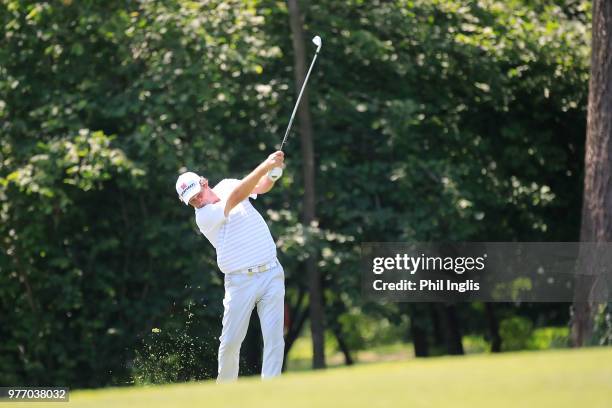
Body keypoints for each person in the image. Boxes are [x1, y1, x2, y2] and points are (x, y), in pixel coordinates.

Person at [175, 151, 286, 382]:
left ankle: (272, 393)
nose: (197, 201)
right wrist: (265, 164)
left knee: (275, 339)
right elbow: (237, 196)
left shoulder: (228, 184)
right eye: (191, 200)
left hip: (271, 273)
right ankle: (225, 395)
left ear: (204, 182)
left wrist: (273, 174)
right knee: (231, 343)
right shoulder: (203, 216)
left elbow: (259, 187)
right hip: (240, 283)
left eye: (198, 194)